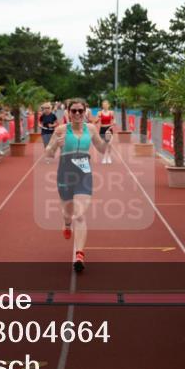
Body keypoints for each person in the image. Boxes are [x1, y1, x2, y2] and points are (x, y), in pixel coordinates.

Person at [44, 97, 110, 273]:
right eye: (74, 111)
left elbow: (102, 149)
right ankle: (66, 225)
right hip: (65, 174)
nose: (78, 114)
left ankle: (79, 254)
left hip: (84, 175)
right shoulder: (60, 130)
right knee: (68, 212)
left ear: (85, 112)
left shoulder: (91, 129)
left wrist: (107, 140)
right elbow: (48, 155)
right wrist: (54, 146)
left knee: (79, 214)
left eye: (81, 110)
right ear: (68, 113)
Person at [95, 99, 116, 164]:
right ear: (102, 106)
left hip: (109, 129)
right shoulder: (99, 112)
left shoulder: (111, 112)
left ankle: (109, 156)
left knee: (109, 144)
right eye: (104, 105)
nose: (105, 106)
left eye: (106, 105)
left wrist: (114, 122)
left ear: (108, 105)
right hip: (102, 129)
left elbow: (114, 119)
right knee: (104, 145)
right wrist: (97, 119)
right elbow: (95, 121)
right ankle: (104, 157)